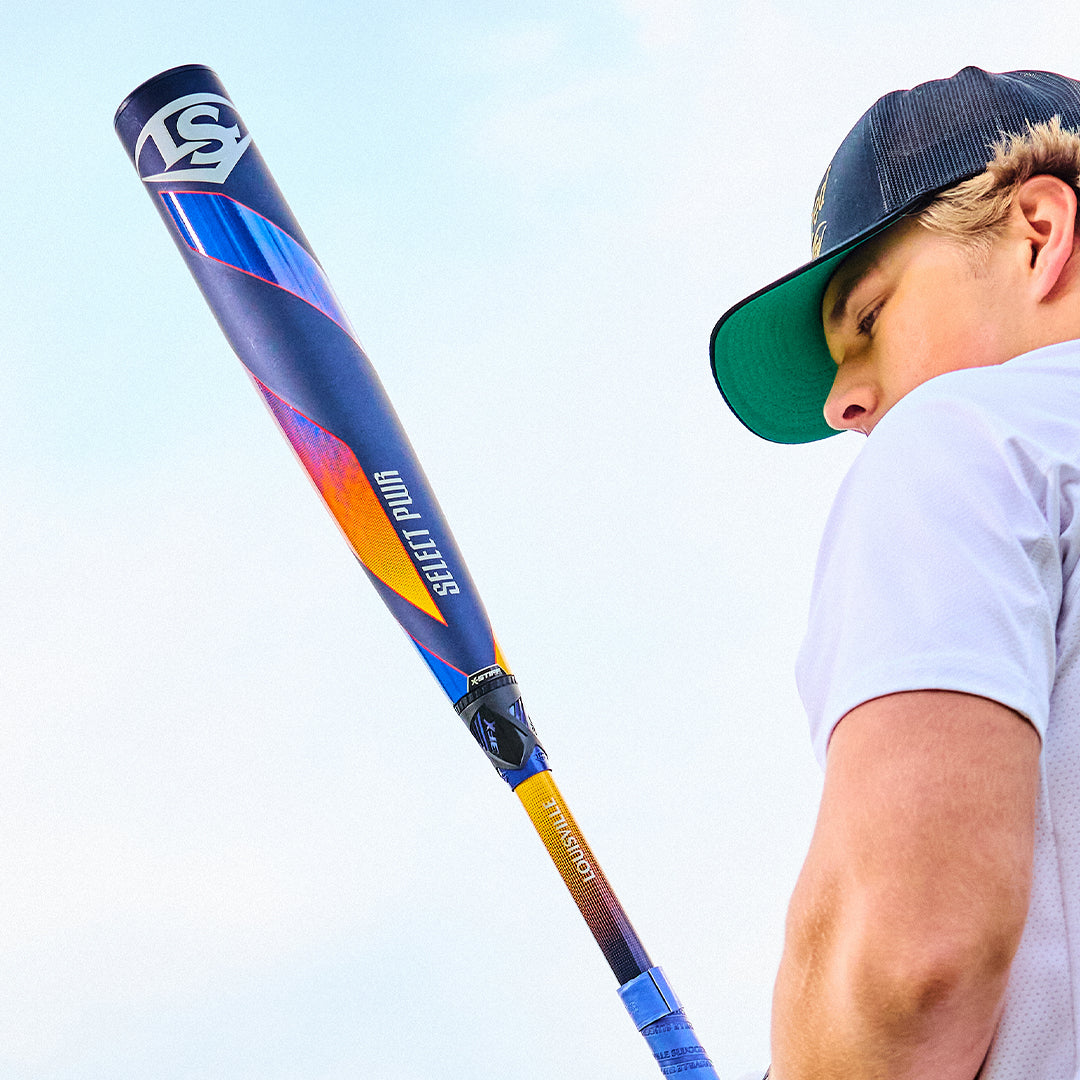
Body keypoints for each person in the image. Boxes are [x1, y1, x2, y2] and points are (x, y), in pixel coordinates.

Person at [711, 67, 1080, 1079]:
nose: (844, 402)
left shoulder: (969, 436)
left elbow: (915, 961)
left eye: (868, 319)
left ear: (1039, 232)